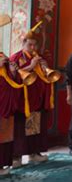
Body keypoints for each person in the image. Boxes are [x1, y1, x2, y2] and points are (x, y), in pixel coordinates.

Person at [10, 32, 52, 167]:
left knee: (35, 127)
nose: (33, 47)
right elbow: (13, 77)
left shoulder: (39, 58)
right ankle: (16, 157)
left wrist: (45, 67)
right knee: (20, 129)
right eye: (30, 44)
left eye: (35, 45)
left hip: (37, 98)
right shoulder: (16, 58)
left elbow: (47, 77)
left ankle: (34, 153)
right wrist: (31, 66)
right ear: (23, 44)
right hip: (23, 100)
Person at [0, 52, 21, 175]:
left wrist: (13, 71)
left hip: (5, 104)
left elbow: (12, 82)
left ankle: (1, 166)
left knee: (4, 136)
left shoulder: (3, 58)